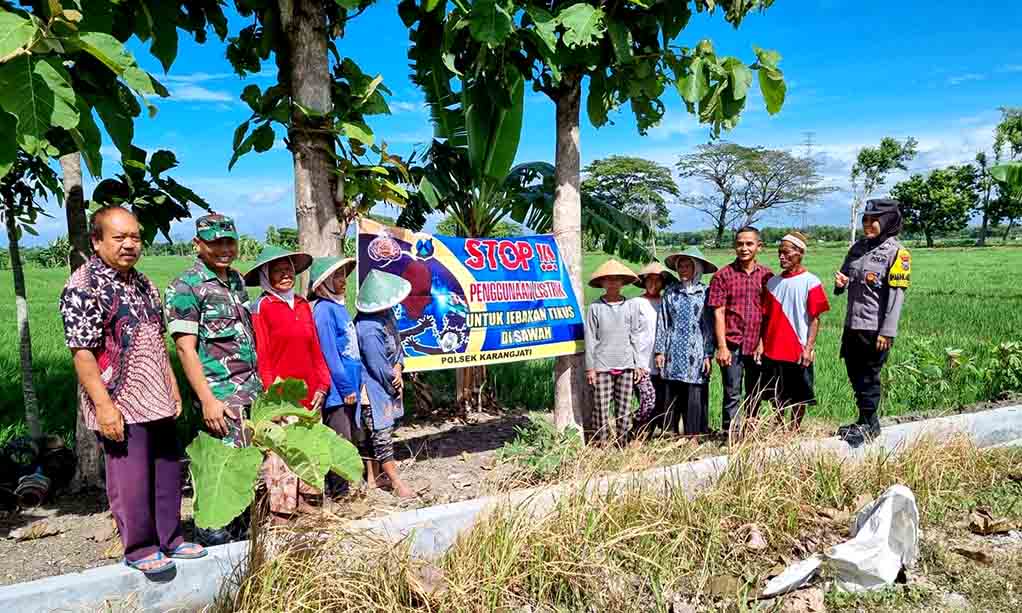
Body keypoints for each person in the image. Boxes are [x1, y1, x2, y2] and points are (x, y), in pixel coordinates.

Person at [59, 206, 204, 576]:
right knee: (131, 477)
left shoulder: (143, 283)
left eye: (135, 238)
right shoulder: (83, 285)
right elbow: (83, 353)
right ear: (97, 240)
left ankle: (170, 538)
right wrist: (104, 406)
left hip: (155, 394)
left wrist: (172, 384)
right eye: (119, 237)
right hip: (118, 398)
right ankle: (139, 547)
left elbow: (157, 338)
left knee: (167, 470)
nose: (129, 245)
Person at [165, 214, 260, 544]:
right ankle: (214, 541)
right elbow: (185, 349)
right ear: (198, 244)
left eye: (228, 242)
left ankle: (243, 538)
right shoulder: (186, 287)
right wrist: (208, 400)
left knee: (243, 470)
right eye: (215, 242)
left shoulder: (235, 281)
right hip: (218, 397)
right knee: (216, 470)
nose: (224, 249)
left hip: (250, 394)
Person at [246, 245, 332, 519]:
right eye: (278, 271)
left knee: (308, 448)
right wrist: (276, 399)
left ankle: (305, 499)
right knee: (281, 452)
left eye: (289, 270)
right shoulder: (262, 307)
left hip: (310, 392)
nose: (285, 275)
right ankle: (281, 510)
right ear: (265, 275)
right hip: (283, 396)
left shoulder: (303, 305)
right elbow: (264, 356)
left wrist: (322, 384)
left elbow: (315, 348)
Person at [834, 199, 911, 446]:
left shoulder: (898, 253)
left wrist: (887, 332)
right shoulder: (857, 248)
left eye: (873, 220)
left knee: (870, 377)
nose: (868, 224)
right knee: (855, 376)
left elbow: (896, 297)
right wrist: (840, 285)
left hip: (874, 329)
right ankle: (863, 419)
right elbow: (845, 277)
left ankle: (871, 425)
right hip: (852, 325)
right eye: (865, 220)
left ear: (887, 221)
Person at [755, 232, 830, 430]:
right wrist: (761, 344)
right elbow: (765, 318)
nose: (781, 257)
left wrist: (809, 347)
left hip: (796, 348)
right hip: (773, 348)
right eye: (779, 253)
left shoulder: (810, 281)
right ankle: (779, 426)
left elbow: (815, 318)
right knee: (775, 392)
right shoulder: (772, 283)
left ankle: (794, 429)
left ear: (800, 253)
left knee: (799, 393)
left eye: (786, 253)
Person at [707, 226, 774, 435]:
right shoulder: (723, 276)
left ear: (758, 247)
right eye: (740, 244)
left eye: (749, 243)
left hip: (756, 344)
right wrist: (722, 347)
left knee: (755, 391)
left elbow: (769, 314)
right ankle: (731, 435)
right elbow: (718, 313)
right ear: (734, 246)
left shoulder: (767, 276)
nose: (744, 248)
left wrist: (763, 343)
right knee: (732, 391)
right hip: (732, 343)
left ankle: (751, 431)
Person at [355, 269, 415, 498]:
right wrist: (394, 384)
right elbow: (377, 365)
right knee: (380, 435)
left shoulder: (387, 314)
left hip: (388, 380)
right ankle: (397, 484)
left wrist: (399, 367)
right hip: (373, 388)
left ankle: (375, 478)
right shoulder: (368, 328)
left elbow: (398, 346)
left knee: (379, 432)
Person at [308, 256, 364, 497]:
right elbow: (330, 355)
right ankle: (338, 493)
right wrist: (345, 388)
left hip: (349, 388)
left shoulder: (338, 307)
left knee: (350, 438)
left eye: (344, 276)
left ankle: (345, 489)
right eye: (336, 277)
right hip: (338, 393)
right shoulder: (323, 311)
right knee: (339, 441)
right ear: (324, 283)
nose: (343, 281)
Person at [654, 248, 717, 436]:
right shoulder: (671, 293)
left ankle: (695, 434)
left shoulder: (704, 293)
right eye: (680, 266)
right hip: (673, 350)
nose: (682, 269)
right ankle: (670, 432)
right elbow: (663, 322)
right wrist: (660, 351)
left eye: (687, 266)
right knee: (672, 390)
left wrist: (707, 354)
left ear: (696, 268)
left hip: (695, 351)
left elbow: (709, 326)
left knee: (695, 390)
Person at [584, 259, 644, 445]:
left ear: (622, 283)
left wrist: (638, 365)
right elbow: (590, 339)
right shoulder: (595, 307)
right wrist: (590, 368)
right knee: (601, 407)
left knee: (624, 407)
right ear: (601, 283)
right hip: (602, 365)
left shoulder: (630, 306)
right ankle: (600, 442)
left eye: (616, 279)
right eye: (608, 279)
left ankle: (623, 442)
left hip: (626, 364)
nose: (612, 283)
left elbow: (635, 337)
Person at [630, 262, 675, 435]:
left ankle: (647, 435)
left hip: (662, 362)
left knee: (661, 402)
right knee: (648, 400)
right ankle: (636, 429)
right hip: (641, 362)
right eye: (650, 281)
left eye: (657, 281)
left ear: (663, 284)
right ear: (644, 282)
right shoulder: (636, 303)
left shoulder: (667, 302)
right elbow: (630, 333)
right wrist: (634, 363)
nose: (653, 285)